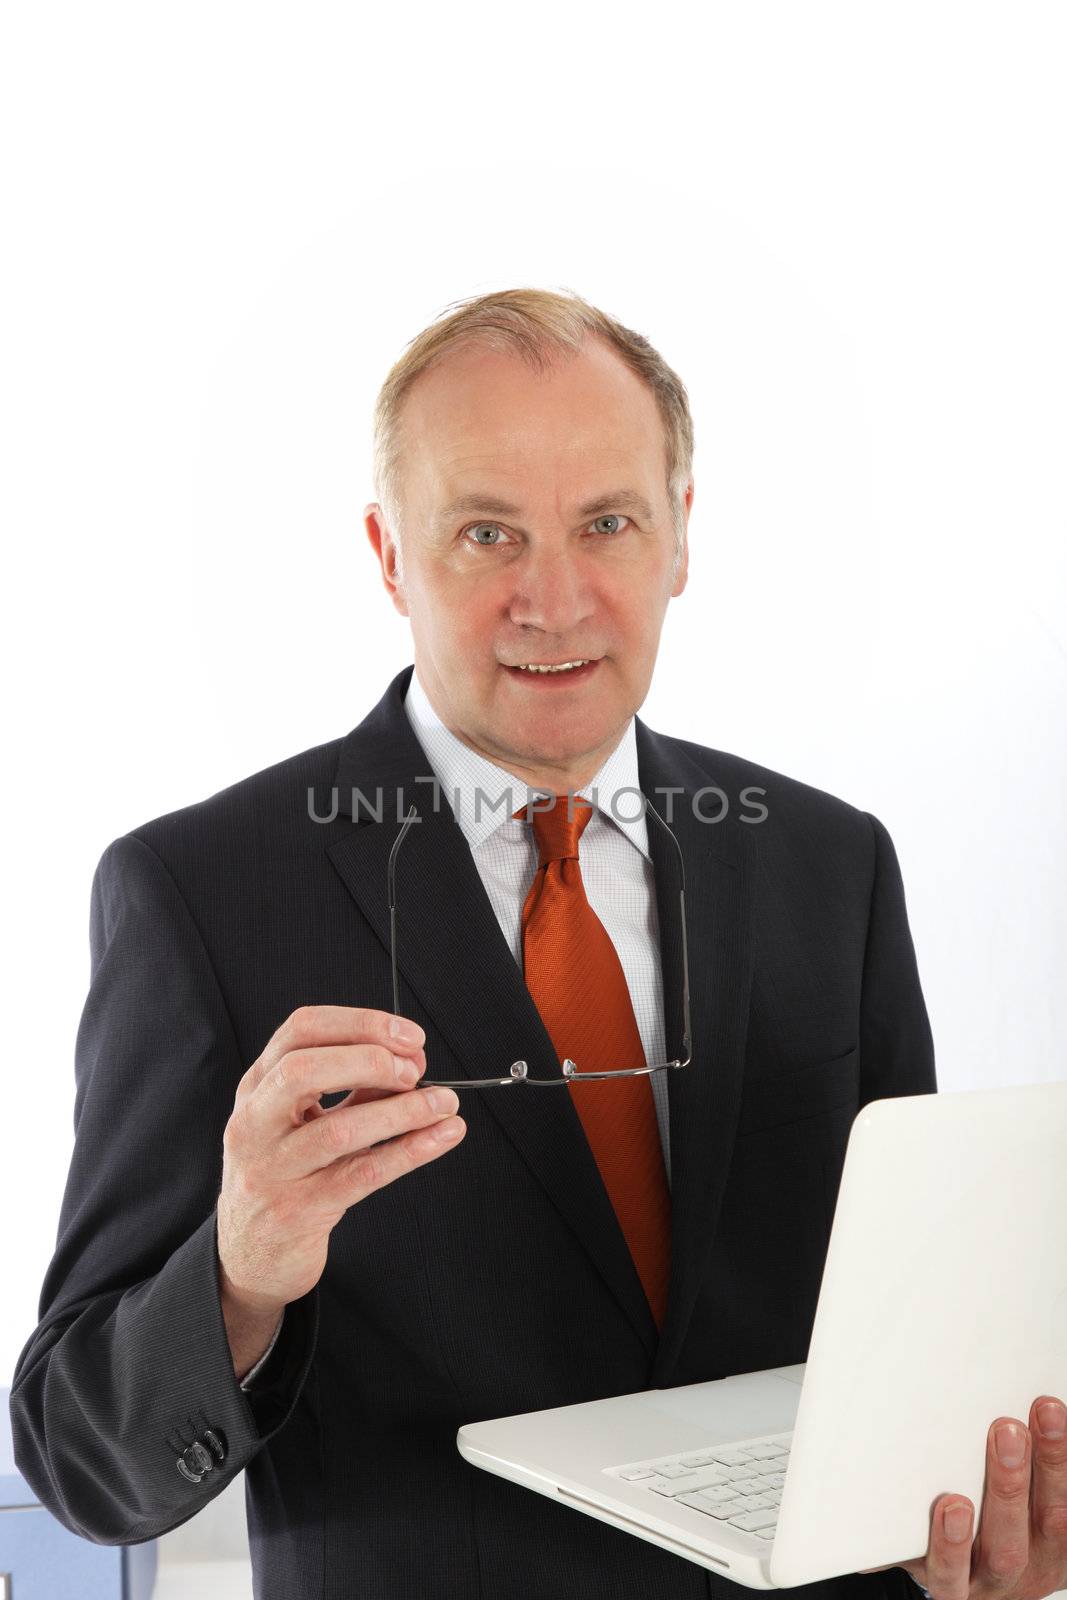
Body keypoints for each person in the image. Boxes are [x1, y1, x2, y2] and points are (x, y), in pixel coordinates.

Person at [10, 289, 1065, 1600]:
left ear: (683, 535)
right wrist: (237, 1277)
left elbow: (911, 1341)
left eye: (607, 524)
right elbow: (78, 1461)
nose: (555, 601)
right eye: (485, 532)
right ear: (390, 555)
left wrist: (979, 1531)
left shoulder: (828, 865)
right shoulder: (202, 896)